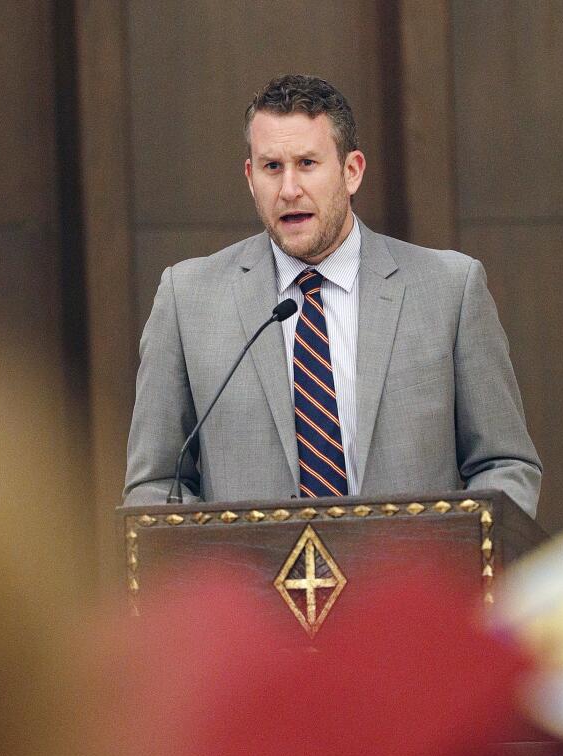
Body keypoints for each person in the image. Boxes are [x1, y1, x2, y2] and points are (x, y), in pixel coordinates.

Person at [124, 74, 541, 516]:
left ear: (351, 171)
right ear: (250, 177)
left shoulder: (449, 290)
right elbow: (155, 487)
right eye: (271, 167)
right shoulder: (188, 300)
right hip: (252, 584)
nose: (288, 189)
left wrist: (453, 568)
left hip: (407, 582)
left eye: (307, 163)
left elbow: (505, 466)